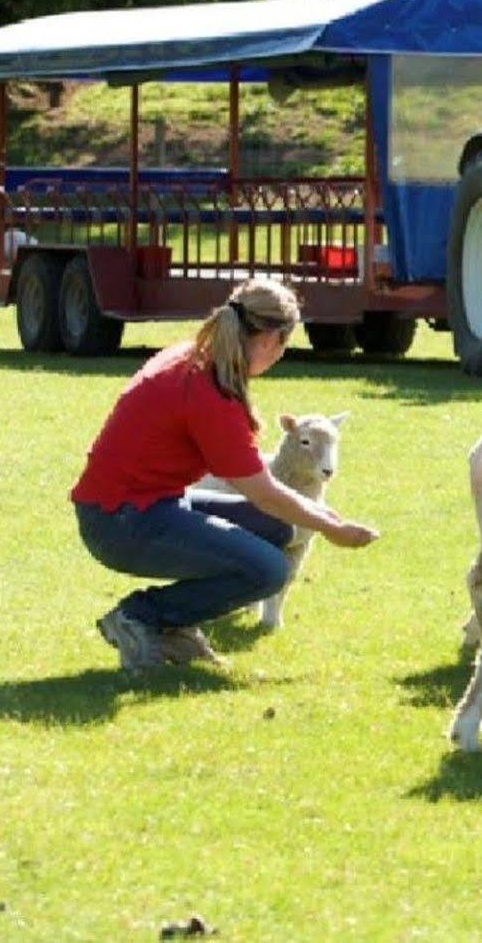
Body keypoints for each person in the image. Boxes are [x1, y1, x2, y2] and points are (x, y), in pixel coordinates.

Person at [71, 276, 380, 673]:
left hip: (145, 505)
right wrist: (330, 527)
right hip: (120, 520)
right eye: (285, 343)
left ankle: (174, 626)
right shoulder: (209, 389)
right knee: (269, 569)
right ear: (271, 339)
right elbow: (262, 491)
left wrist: (326, 518)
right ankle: (142, 617)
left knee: (280, 529)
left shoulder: (199, 358)